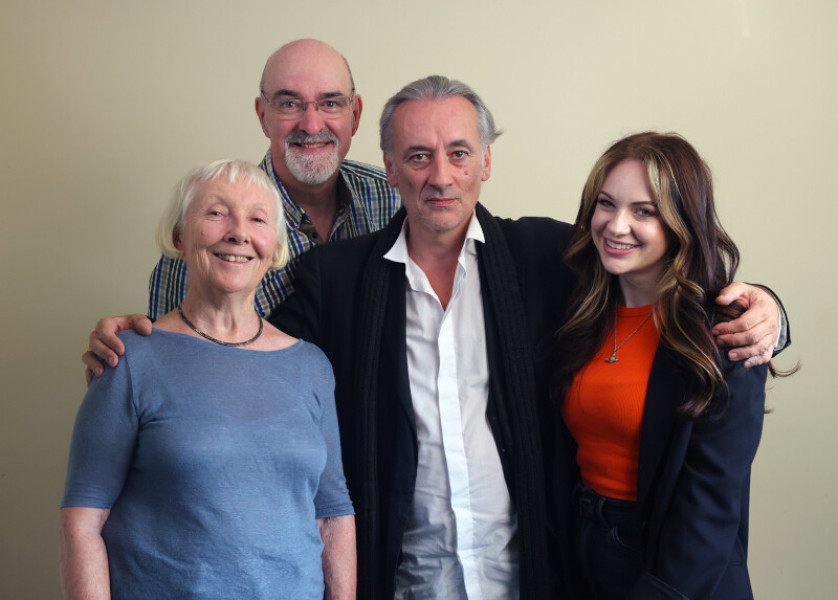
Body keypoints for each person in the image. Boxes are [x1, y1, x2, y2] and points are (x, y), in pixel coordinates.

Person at [84, 79, 787, 599]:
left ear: (486, 162)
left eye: (458, 152)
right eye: (418, 155)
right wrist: (154, 341)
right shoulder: (336, 278)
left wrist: (773, 314)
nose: (440, 175)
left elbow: (655, 266)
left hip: (535, 578)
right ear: (389, 168)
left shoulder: (546, 256)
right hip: (405, 578)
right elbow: (247, 353)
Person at [61, 160, 355, 599]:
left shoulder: (311, 366)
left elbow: (332, 514)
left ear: (274, 247)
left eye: (257, 219)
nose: (238, 232)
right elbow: (83, 522)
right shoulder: (128, 359)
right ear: (180, 236)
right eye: (216, 213)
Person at [549, 133, 795, 599]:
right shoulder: (577, 308)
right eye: (606, 204)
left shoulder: (725, 335)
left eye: (644, 211)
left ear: (681, 221)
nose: (617, 226)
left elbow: (711, 505)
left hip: (676, 570)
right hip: (582, 553)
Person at [147, 38, 400, 321]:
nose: (312, 125)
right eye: (289, 104)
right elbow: (166, 356)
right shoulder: (207, 238)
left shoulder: (395, 199)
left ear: (355, 115)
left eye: (330, 103)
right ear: (263, 115)